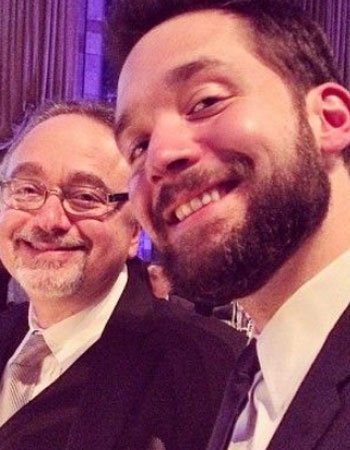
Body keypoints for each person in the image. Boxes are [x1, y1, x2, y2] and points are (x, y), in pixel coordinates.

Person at [110, 0, 350, 448]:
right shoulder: (250, 375)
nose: (160, 156)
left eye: (206, 102)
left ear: (329, 120)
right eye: (138, 146)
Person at [0, 101, 246, 450]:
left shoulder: (205, 365)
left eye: (86, 196)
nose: (48, 219)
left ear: (135, 232)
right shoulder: (6, 332)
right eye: (26, 190)